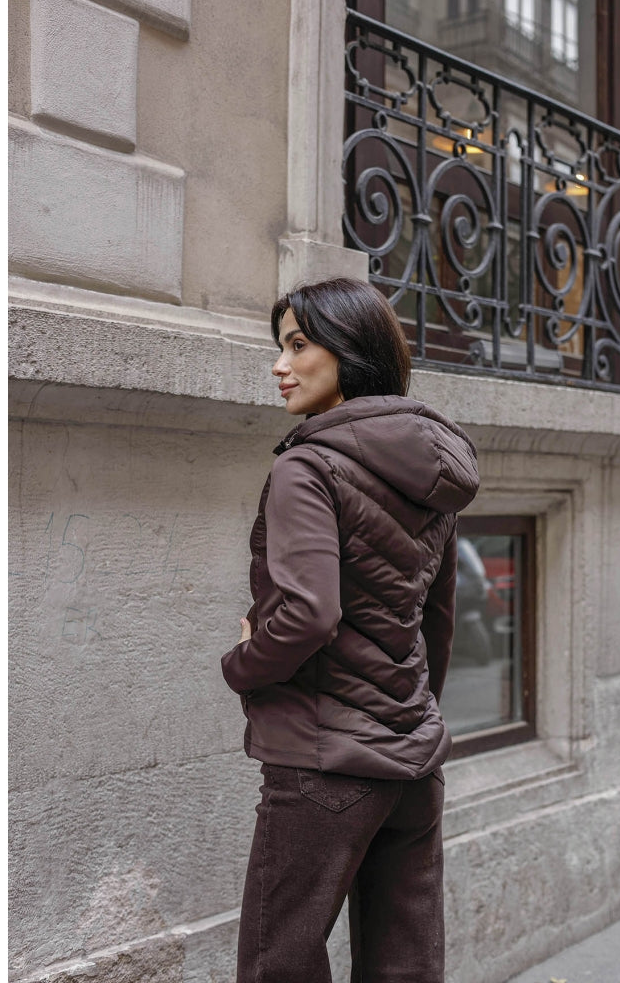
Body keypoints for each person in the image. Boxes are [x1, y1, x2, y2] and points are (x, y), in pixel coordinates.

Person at [220, 277, 480, 983]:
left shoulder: (307, 466)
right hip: (412, 760)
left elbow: (309, 614)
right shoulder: (431, 473)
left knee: (279, 963)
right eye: (281, 346)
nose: (280, 365)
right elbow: (437, 622)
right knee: (407, 965)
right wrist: (406, 714)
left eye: (298, 345)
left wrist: (241, 662)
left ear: (350, 352)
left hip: (323, 763)